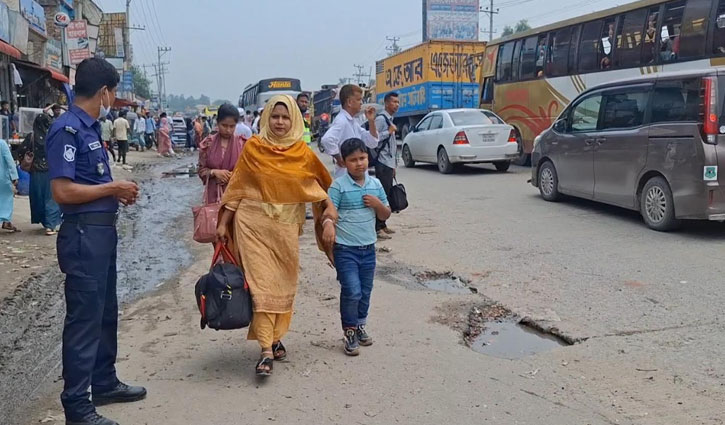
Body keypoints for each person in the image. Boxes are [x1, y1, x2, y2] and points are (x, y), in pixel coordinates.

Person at [45, 57, 145, 425]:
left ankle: (103, 381)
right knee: (84, 320)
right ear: (104, 92)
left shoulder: (89, 129)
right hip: (83, 236)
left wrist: (114, 192)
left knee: (104, 312)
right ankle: (77, 407)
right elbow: (62, 191)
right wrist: (112, 188)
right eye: (113, 93)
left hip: (101, 233)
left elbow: (89, 183)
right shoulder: (67, 130)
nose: (112, 100)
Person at [216, 95, 338, 377]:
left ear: (293, 120)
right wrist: (223, 223)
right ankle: (265, 350)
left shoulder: (302, 152)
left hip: (286, 228)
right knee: (261, 286)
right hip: (252, 224)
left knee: (282, 284)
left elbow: (318, 186)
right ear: (266, 118)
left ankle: (274, 337)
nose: (280, 122)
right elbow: (239, 187)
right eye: (275, 116)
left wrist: (329, 213)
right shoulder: (253, 148)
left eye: (285, 117)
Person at [327, 138, 391, 356]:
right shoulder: (338, 186)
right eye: (353, 160)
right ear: (344, 162)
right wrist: (328, 225)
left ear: (368, 158)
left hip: (368, 249)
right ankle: (349, 331)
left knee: (365, 291)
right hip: (345, 249)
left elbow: (385, 214)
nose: (359, 163)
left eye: (362, 158)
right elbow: (330, 213)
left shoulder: (376, 185)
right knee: (352, 290)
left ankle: (360, 325)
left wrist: (377, 204)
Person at [16, 110, 62, 235]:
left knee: (39, 198)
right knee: (51, 198)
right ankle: (50, 225)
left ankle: (45, 222)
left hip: (35, 173)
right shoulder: (54, 137)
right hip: (52, 172)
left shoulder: (31, 137)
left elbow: (20, 151)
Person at [321, 84, 379, 178]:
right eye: (359, 99)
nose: (361, 103)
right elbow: (327, 140)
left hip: (358, 177)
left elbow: (372, 142)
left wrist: (371, 121)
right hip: (347, 177)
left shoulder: (353, 122)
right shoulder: (342, 121)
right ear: (349, 102)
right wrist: (339, 159)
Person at [198, 104, 246, 204]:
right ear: (217, 122)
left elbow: (249, 172)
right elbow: (201, 171)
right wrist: (214, 172)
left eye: (232, 126)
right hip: (213, 197)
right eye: (224, 125)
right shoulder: (208, 144)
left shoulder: (242, 144)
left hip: (236, 197)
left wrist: (232, 176)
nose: (228, 130)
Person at [373, 92, 400, 240]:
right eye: (394, 102)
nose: (396, 105)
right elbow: (374, 139)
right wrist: (388, 132)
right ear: (386, 103)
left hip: (388, 163)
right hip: (382, 162)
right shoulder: (381, 119)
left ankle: (383, 225)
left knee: (387, 195)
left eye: (398, 102)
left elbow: (393, 146)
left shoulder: (390, 120)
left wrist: (394, 165)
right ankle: (377, 227)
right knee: (381, 196)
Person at [0, 138, 19, 232]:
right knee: (6, 198)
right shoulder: (2, 144)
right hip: (2, 178)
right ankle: (6, 221)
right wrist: (14, 176)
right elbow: (9, 160)